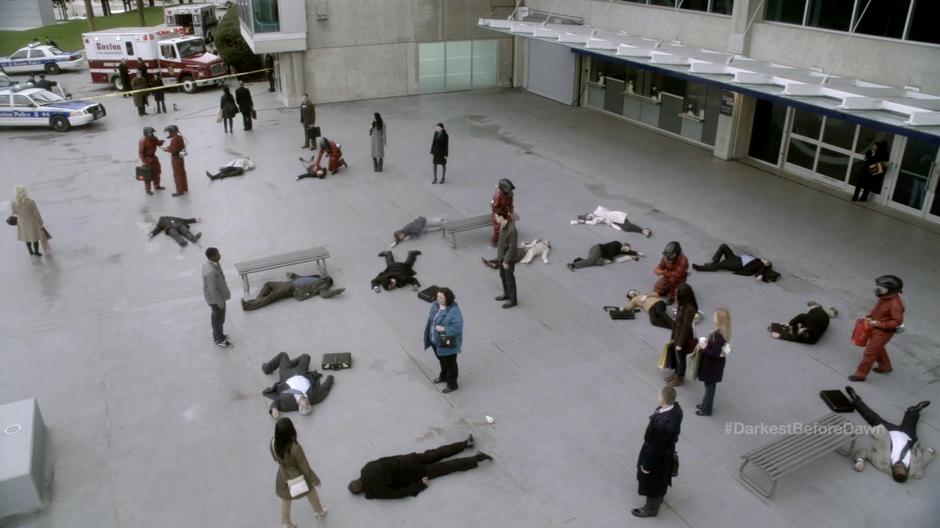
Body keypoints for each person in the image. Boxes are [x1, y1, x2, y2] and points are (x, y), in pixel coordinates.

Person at [347, 435, 491, 499]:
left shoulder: (376, 492)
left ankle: (477, 459)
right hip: (408, 459)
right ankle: (466, 443)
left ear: (362, 491)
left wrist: (420, 485)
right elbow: (386, 458)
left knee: (445, 467)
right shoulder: (366, 468)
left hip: (413, 474)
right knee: (436, 453)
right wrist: (405, 456)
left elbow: (399, 493)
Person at [845, 386, 933, 482]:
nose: (900, 464)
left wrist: (860, 461)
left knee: (871, 416)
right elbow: (924, 460)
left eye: (897, 466)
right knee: (912, 419)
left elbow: (865, 452)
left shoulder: (881, 463)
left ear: (892, 471)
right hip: (908, 435)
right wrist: (929, 452)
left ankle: (855, 399)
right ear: (907, 472)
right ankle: (914, 410)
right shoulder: (916, 471)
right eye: (902, 467)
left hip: (887, 432)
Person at [632, 385, 682, 518]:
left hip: (658, 454)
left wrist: (647, 466)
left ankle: (651, 509)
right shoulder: (676, 410)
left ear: (663, 400)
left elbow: (656, 449)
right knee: (661, 479)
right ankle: (658, 498)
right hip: (666, 451)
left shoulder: (662, 425)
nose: (658, 396)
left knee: (652, 481)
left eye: (659, 395)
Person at [270, 417, 328, 526]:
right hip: (298, 477)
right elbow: (305, 466)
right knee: (312, 494)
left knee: (286, 499)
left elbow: (275, 458)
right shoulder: (295, 447)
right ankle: (320, 511)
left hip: (283, 477)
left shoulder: (273, 443)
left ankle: (286, 523)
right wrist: (315, 480)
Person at [849, 275, 905, 382]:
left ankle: (860, 375)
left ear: (890, 289)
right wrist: (870, 314)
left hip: (883, 331)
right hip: (875, 326)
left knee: (870, 352)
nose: (878, 289)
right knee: (877, 347)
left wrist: (879, 324)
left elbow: (897, 321)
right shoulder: (885, 297)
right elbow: (879, 309)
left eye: (882, 287)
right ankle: (885, 367)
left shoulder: (895, 304)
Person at [262, 352, 334, 417]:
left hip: (287, 375)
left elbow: (276, 402)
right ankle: (287, 363)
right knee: (306, 356)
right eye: (307, 401)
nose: (304, 398)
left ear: (299, 406)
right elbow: (325, 387)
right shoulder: (315, 397)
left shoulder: (287, 404)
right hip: (301, 372)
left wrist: (274, 410)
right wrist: (330, 377)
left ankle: (267, 368)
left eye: (303, 401)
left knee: (283, 355)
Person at [423, 287, 463, 393]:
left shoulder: (454, 311)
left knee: (450, 364)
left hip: (446, 342)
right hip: (435, 341)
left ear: (448, 298)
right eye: (437, 296)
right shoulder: (435, 305)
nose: (438, 299)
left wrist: (444, 329)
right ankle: (443, 376)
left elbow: (457, 328)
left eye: (441, 297)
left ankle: (452, 384)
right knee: (442, 360)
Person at [242, 273, 344, 311]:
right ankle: (256, 300)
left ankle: (249, 306)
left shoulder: (323, 285)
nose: (324, 275)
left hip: (291, 288)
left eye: (326, 276)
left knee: (271, 297)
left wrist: (337, 291)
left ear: (328, 280)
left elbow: (324, 295)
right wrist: (293, 275)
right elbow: (301, 278)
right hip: (287, 283)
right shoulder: (316, 277)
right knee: (268, 284)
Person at [696, 308, 731, 416]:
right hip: (715, 366)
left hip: (711, 366)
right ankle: (705, 404)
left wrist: (704, 347)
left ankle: (706, 409)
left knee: (709, 388)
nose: (712, 317)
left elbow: (714, 353)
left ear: (720, 319)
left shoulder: (717, 335)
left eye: (715, 316)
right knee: (710, 386)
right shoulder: (722, 332)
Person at [665, 283, 698, 387]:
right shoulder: (682, 305)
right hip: (677, 336)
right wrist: (673, 336)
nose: (675, 296)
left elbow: (686, 327)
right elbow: (677, 322)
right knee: (677, 357)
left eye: (677, 294)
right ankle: (676, 373)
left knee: (681, 359)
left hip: (683, 339)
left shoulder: (689, 309)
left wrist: (680, 343)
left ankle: (679, 377)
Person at [691, 243, 778, 282]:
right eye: (766, 260)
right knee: (723, 246)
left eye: (766, 261)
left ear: (767, 265)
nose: (765, 260)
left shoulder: (761, 266)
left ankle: (700, 268)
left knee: (719, 265)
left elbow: (759, 274)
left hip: (737, 264)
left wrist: (760, 275)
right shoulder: (759, 260)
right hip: (735, 258)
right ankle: (713, 262)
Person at [202, 247, 232, 348]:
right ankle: (219, 340)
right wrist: (220, 304)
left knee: (218, 319)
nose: (219, 255)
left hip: (217, 298)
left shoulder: (213, 264)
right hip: (215, 300)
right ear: (212, 257)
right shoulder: (211, 271)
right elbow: (213, 291)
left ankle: (218, 336)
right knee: (218, 320)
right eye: (217, 254)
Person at [769, 302, 838, 344]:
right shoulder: (809, 322)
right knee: (813, 310)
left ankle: (817, 307)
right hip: (820, 316)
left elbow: (796, 339)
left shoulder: (812, 339)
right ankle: (828, 311)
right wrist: (791, 324)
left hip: (823, 318)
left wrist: (781, 336)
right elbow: (801, 317)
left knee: (811, 308)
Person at [10, 186, 47, 257]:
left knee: (26, 237)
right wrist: (41, 222)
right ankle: (37, 252)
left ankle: (30, 251)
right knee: (35, 237)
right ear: (25, 192)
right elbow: (36, 212)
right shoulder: (31, 201)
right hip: (33, 222)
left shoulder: (13, 203)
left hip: (22, 223)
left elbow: (14, 213)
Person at [571, 205, 652, 237]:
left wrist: (601, 216)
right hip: (613, 220)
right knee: (626, 229)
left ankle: (644, 231)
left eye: (587, 216)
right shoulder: (594, 220)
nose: (588, 217)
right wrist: (577, 222)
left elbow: (606, 210)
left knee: (628, 226)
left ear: (588, 213)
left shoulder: (597, 210)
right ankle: (643, 231)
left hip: (616, 216)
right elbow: (590, 222)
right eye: (587, 218)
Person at [494, 207, 518, 309]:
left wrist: (506, 261)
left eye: (496, 216)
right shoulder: (502, 225)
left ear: (501, 217)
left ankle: (513, 300)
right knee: (503, 277)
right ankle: (506, 294)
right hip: (501, 257)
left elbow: (512, 247)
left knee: (509, 279)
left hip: (508, 260)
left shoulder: (512, 230)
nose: (495, 218)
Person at [566, 241, 643, 271]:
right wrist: (611, 259)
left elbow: (629, 252)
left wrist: (637, 253)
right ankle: (572, 265)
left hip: (601, 255)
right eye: (626, 248)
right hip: (598, 248)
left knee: (600, 263)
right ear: (624, 245)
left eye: (627, 250)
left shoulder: (620, 250)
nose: (626, 250)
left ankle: (579, 260)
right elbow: (612, 249)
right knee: (592, 260)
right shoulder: (617, 244)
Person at [161, 125, 188, 197]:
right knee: (182, 172)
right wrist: (169, 147)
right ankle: (184, 188)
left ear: (172, 132)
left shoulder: (174, 139)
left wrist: (166, 149)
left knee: (177, 174)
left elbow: (173, 150)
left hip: (175, 157)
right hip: (180, 157)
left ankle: (179, 191)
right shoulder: (179, 137)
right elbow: (181, 146)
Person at [137, 127, 165, 195]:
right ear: (146, 133)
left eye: (152, 132)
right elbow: (141, 152)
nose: (151, 133)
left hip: (154, 158)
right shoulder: (143, 141)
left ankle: (157, 185)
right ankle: (148, 189)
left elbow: (158, 143)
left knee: (157, 172)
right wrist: (144, 161)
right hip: (147, 159)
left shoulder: (153, 138)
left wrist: (161, 142)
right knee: (147, 174)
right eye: (150, 132)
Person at [490, 178, 515, 247]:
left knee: (510, 224)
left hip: (505, 211)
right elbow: (494, 207)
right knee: (497, 227)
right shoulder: (498, 195)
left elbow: (510, 205)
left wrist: (511, 213)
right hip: (498, 212)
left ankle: (506, 238)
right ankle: (494, 240)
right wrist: (499, 216)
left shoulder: (510, 195)